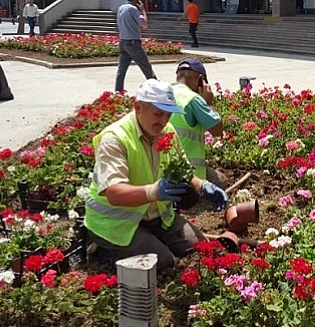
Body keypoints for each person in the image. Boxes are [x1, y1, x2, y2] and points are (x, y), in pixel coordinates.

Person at [84, 79, 229, 270]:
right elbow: (113, 192)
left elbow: (184, 171)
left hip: (159, 217)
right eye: (158, 113)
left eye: (168, 114)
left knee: (201, 250)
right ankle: (101, 250)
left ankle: (151, 240)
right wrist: (154, 192)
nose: (163, 120)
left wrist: (202, 185)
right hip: (116, 224)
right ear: (138, 107)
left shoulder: (167, 131)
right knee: (163, 262)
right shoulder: (115, 138)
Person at [170, 58, 228, 190]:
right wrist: (209, 102)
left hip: (159, 169)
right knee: (221, 181)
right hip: (189, 174)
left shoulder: (164, 93)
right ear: (201, 79)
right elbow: (218, 130)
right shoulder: (192, 99)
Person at [115, 0, 156, 92]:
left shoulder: (121, 8)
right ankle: (156, 88)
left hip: (123, 41)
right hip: (133, 42)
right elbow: (144, 24)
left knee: (122, 69)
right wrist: (143, 10)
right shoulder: (133, 9)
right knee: (146, 66)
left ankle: (118, 90)